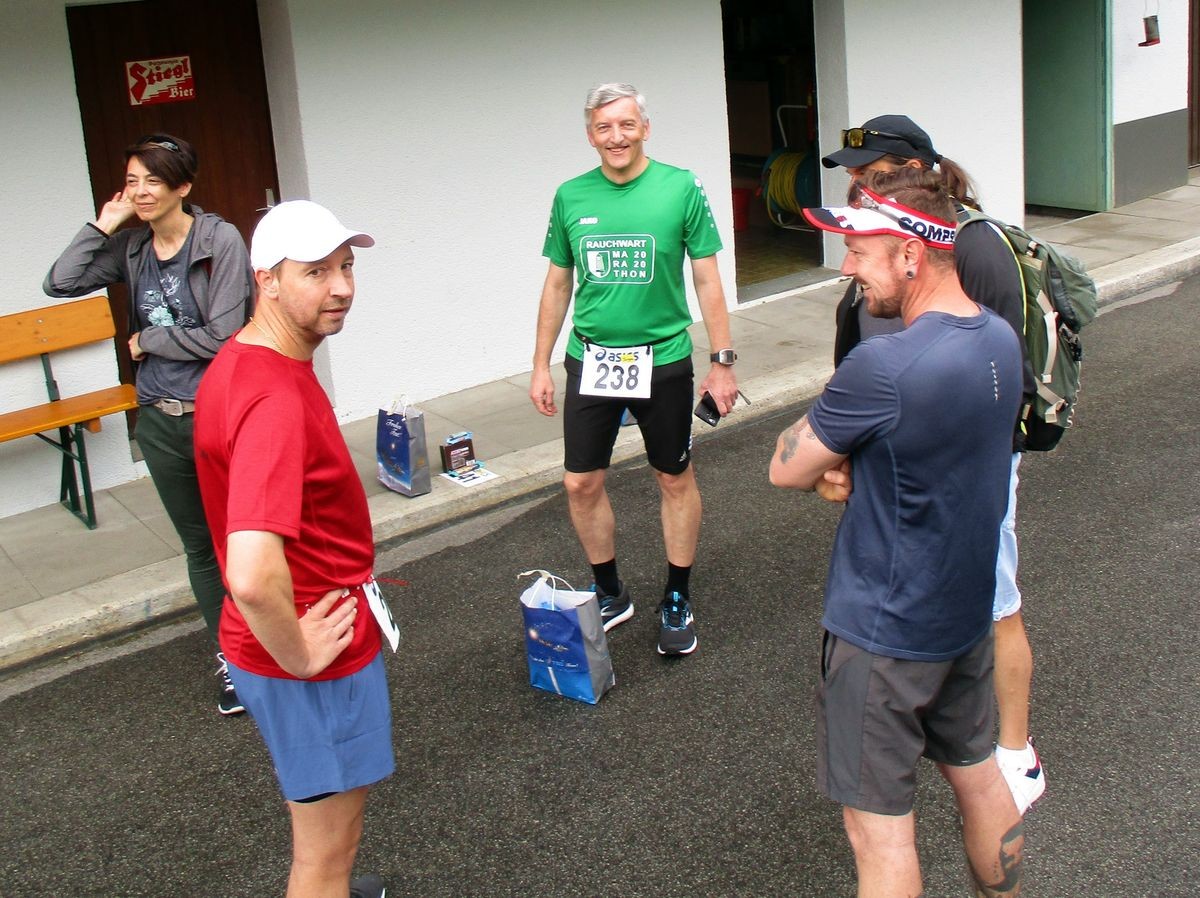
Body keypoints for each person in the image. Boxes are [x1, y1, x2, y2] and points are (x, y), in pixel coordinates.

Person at [770, 169, 1025, 897]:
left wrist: (836, 462)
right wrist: (857, 459)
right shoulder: (998, 338)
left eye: (859, 251)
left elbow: (785, 467)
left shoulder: (883, 365)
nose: (846, 269)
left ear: (911, 254)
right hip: (963, 618)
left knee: (878, 834)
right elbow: (934, 448)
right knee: (978, 776)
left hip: (884, 631)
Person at [821, 115, 1046, 814]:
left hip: (966, 466)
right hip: (895, 462)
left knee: (994, 602)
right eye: (856, 175)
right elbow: (856, 350)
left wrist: (960, 463)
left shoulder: (968, 245)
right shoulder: (877, 244)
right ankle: (946, 738)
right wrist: (851, 447)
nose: (861, 184)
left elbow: (1001, 370)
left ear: (916, 171)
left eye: (875, 173)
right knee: (925, 607)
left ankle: (1016, 753)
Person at [193, 200, 391, 898]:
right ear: (267, 280)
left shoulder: (245, 359)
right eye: (316, 272)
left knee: (326, 841)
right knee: (325, 858)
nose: (341, 287)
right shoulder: (273, 398)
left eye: (347, 267)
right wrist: (301, 654)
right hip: (314, 653)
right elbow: (251, 575)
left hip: (295, 639)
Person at [44, 133, 253, 716]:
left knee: (245, 538)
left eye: (152, 181)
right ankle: (235, 658)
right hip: (159, 419)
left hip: (218, 415)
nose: (139, 192)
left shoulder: (218, 240)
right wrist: (103, 224)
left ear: (182, 187)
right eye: (131, 181)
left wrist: (150, 339)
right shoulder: (131, 247)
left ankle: (277, 639)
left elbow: (224, 335)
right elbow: (60, 282)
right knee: (200, 547)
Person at [529, 82, 738, 656]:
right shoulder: (571, 196)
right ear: (590, 135)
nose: (616, 136)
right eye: (604, 127)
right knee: (580, 481)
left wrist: (721, 362)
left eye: (626, 124)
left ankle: (677, 594)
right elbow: (557, 284)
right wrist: (541, 363)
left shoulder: (680, 187)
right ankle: (609, 591)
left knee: (673, 477)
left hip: (663, 358)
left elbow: (707, 279)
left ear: (645, 128)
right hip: (592, 358)